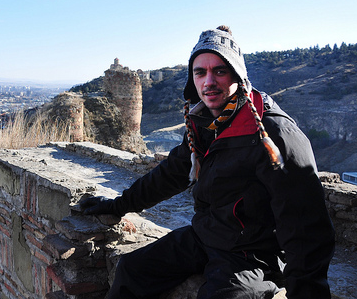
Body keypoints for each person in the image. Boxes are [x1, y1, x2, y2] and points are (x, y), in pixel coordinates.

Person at [79, 26, 335, 299]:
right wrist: (118, 205)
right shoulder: (204, 122)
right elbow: (170, 174)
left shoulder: (273, 134)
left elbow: (305, 224)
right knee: (132, 269)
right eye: (200, 72)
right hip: (206, 235)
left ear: (237, 74)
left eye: (220, 71)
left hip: (253, 253)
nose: (208, 81)